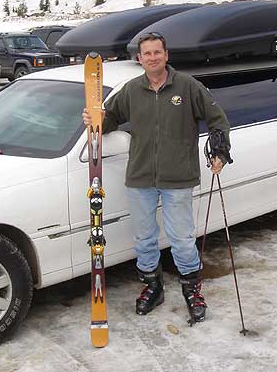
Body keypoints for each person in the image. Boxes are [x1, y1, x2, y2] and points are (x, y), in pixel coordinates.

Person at [82, 32, 231, 323]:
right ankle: (153, 287)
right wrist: (96, 119)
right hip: (140, 177)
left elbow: (218, 121)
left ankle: (192, 289)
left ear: (166, 55)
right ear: (139, 58)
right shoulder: (131, 90)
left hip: (178, 177)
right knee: (144, 238)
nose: (152, 58)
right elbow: (110, 118)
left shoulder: (188, 87)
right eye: (146, 54)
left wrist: (220, 151)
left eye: (157, 52)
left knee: (182, 239)